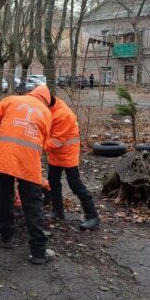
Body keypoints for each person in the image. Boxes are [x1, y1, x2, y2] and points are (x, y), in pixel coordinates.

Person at [0, 85, 54, 265]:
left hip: (4, 157)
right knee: (32, 204)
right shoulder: (46, 112)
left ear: (31, 93)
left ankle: (6, 238)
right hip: (29, 160)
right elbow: (45, 141)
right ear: (45, 100)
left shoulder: (11, 100)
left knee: (4, 198)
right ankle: (38, 252)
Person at [39, 85, 100, 230]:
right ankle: (58, 212)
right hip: (55, 154)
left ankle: (93, 216)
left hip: (67, 155)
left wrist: (36, 148)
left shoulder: (63, 114)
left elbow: (57, 140)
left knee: (75, 184)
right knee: (53, 182)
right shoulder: (48, 109)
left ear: (46, 101)